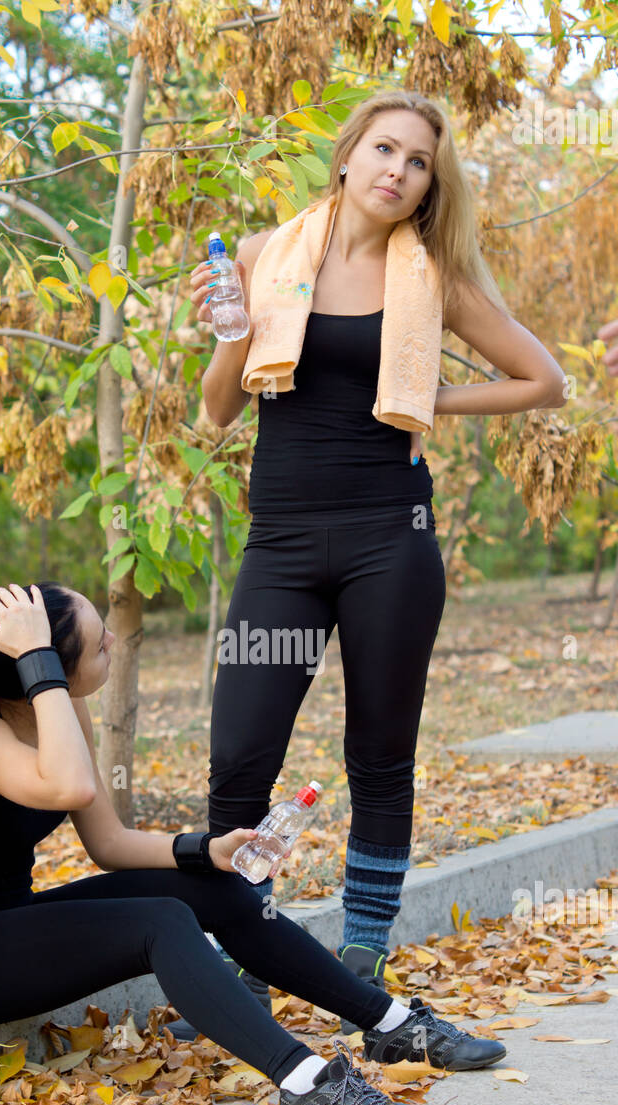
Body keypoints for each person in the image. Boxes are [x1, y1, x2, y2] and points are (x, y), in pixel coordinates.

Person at [187, 88, 566, 1033]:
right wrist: (233, 333)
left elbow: (542, 379)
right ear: (349, 156)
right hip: (278, 544)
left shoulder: (433, 278)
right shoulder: (261, 258)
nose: (397, 169)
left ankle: (362, 944)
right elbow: (216, 412)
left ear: (428, 184)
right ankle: (243, 948)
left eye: (419, 160)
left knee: (379, 753)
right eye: (384, 148)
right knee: (239, 759)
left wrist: (429, 400)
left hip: (386, 541)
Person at [0, 581, 506, 1105]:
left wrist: (205, 850)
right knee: (160, 922)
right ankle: (304, 1086)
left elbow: (109, 843)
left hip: (4, 925)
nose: (113, 640)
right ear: (47, 671)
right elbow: (70, 788)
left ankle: (391, 1023)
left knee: (211, 888)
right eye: (97, 642)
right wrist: (42, 664)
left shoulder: (62, 710)